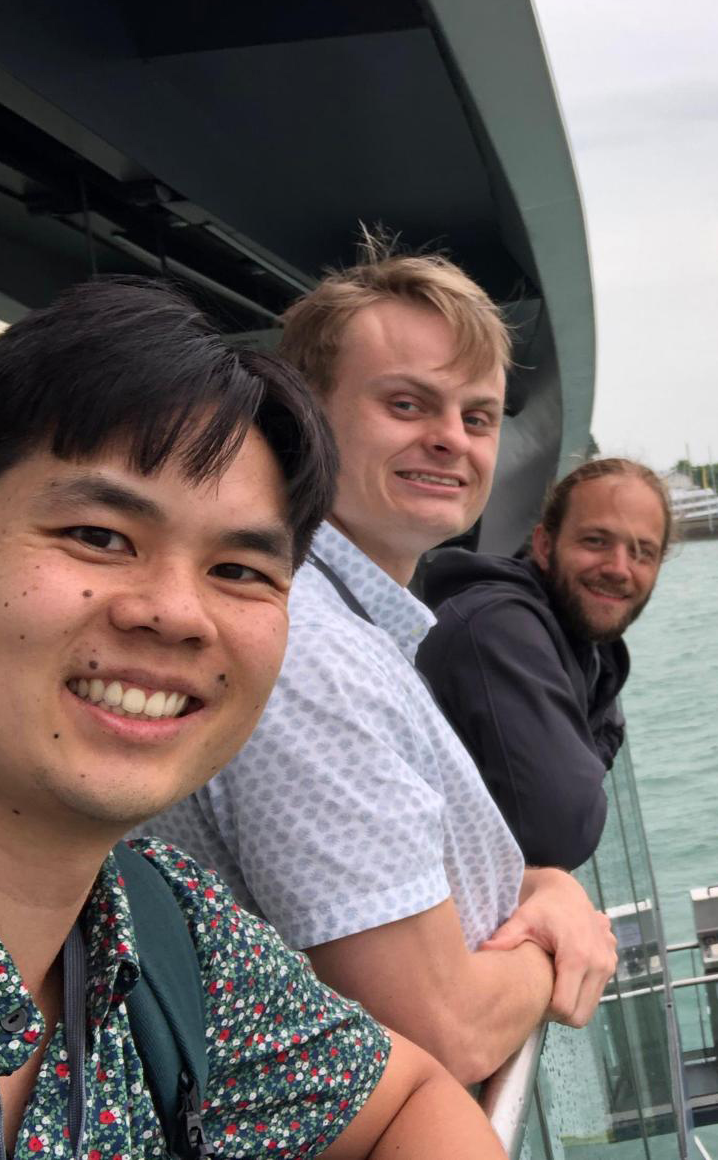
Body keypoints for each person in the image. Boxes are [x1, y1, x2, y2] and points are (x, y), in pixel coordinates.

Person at [0, 279, 502, 1158]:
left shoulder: (165, 926)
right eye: (99, 536)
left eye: (240, 570)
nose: (174, 613)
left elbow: (404, 1099)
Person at [147, 243, 617, 1086]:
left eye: (478, 418)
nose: (450, 440)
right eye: (408, 404)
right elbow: (441, 1031)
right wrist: (558, 945)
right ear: (304, 419)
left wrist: (542, 883)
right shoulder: (309, 657)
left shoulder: (345, 623)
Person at [416, 459, 671, 870]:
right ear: (544, 546)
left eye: (643, 553)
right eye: (595, 541)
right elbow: (564, 834)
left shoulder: (587, 647)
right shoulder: (498, 625)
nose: (620, 569)